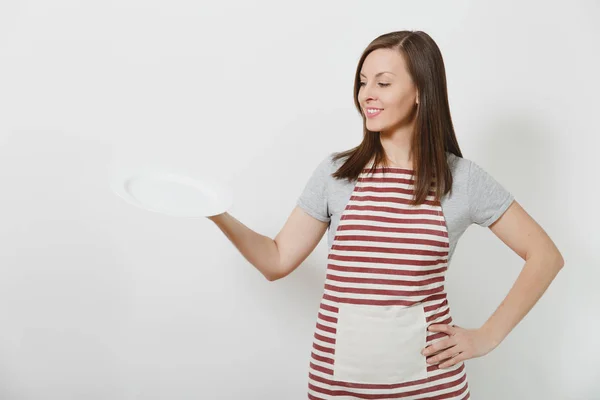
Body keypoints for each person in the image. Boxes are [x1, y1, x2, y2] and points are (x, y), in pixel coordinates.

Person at [208, 30, 564, 399]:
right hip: (336, 386)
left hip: (431, 387)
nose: (367, 95)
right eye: (363, 82)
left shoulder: (461, 179)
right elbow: (276, 261)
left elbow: (545, 256)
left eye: (383, 83)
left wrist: (487, 336)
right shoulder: (336, 173)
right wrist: (218, 214)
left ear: (420, 93)